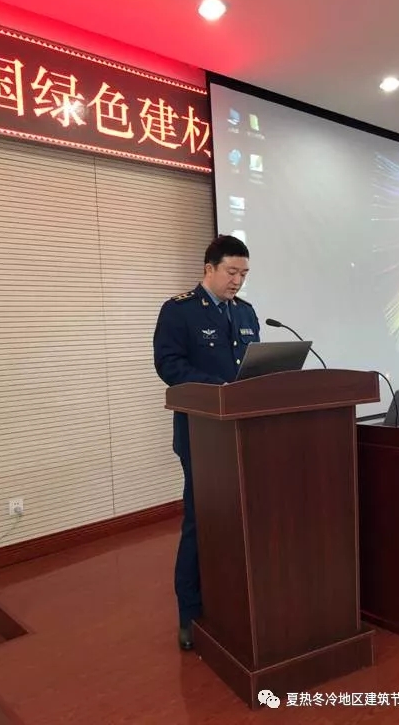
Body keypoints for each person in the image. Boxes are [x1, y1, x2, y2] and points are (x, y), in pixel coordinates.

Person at [153, 235, 261, 650]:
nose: (238, 281)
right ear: (209, 269)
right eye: (232, 272)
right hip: (201, 433)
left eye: (244, 274)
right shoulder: (179, 310)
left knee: (242, 518)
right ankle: (190, 612)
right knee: (201, 519)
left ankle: (236, 599)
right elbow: (169, 365)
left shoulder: (246, 312)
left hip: (244, 431)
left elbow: (253, 368)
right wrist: (219, 389)